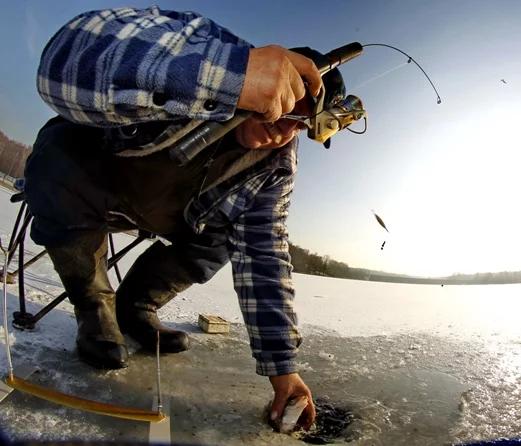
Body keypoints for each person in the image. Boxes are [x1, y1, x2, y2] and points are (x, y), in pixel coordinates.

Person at [24, 5, 346, 429]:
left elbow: (266, 256)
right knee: (56, 162)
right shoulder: (207, 49)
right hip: (94, 177)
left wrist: (282, 368)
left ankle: (135, 307)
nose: (282, 130)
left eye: (299, 125)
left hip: (169, 212)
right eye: (282, 109)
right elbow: (65, 63)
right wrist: (231, 77)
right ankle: (93, 308)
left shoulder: (276, 166)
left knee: (224, 239)